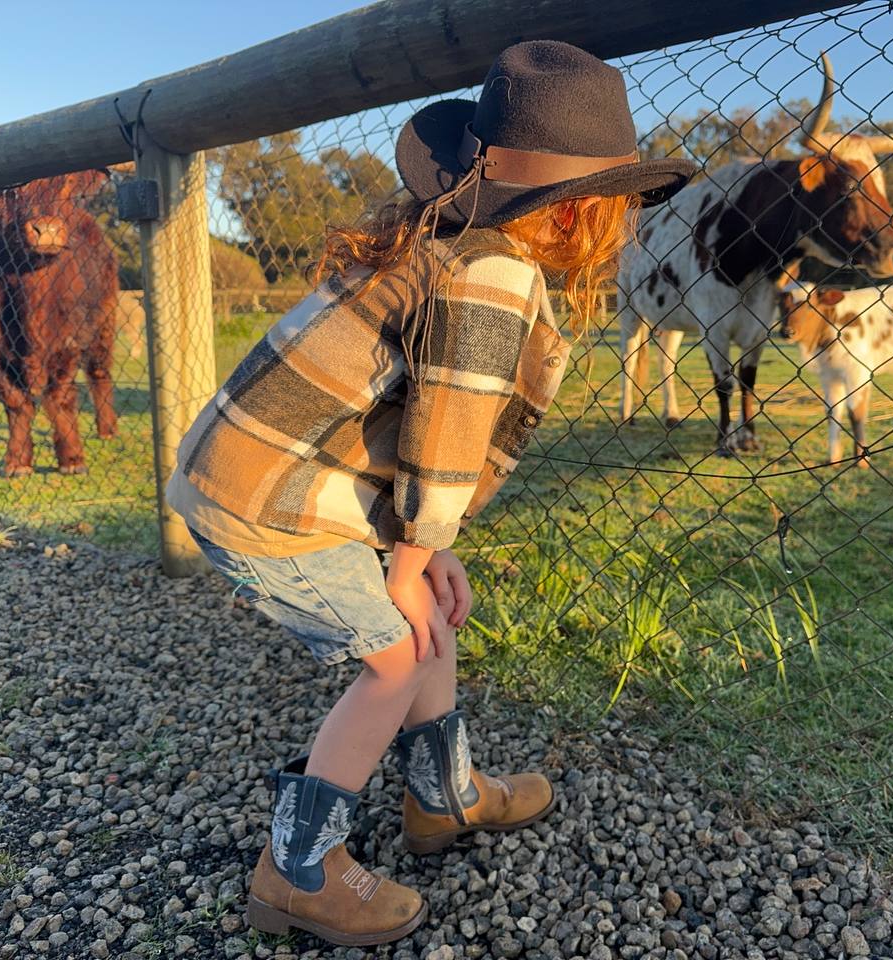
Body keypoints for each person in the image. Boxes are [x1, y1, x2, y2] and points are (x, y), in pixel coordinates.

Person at [165, 40, 695, 946]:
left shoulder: (449, 240)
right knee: (396, 657)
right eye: (622, 205)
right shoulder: (489, 270)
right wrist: (410, 556)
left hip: (268, 469)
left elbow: (408, 422)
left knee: (429, 619)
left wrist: (427, 552)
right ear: (582, 214)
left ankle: (442, 801)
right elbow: (449, 432)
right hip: (266, 496)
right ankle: (296, 868)